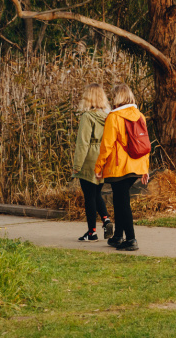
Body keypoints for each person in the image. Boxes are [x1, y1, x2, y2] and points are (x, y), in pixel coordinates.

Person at [95, 84, 149, 251]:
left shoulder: (114, 117)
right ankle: (118, 236)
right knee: (119, 200)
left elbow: (107, 145)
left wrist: (99, 166)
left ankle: (131, 239)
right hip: (137, 164)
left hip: (120, 167)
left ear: (117, 97)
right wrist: (145, 167)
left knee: (123, 202)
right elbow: (146, 143)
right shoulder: (140, 116)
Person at [72, 83, 114, 242]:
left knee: (89, 195)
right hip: (103, 156)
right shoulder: (109, 116)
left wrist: (77, 165)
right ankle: (106, 220)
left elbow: (83, 143)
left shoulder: (87, 116)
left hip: (89, 157)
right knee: (97, 193)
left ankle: (92, 233)